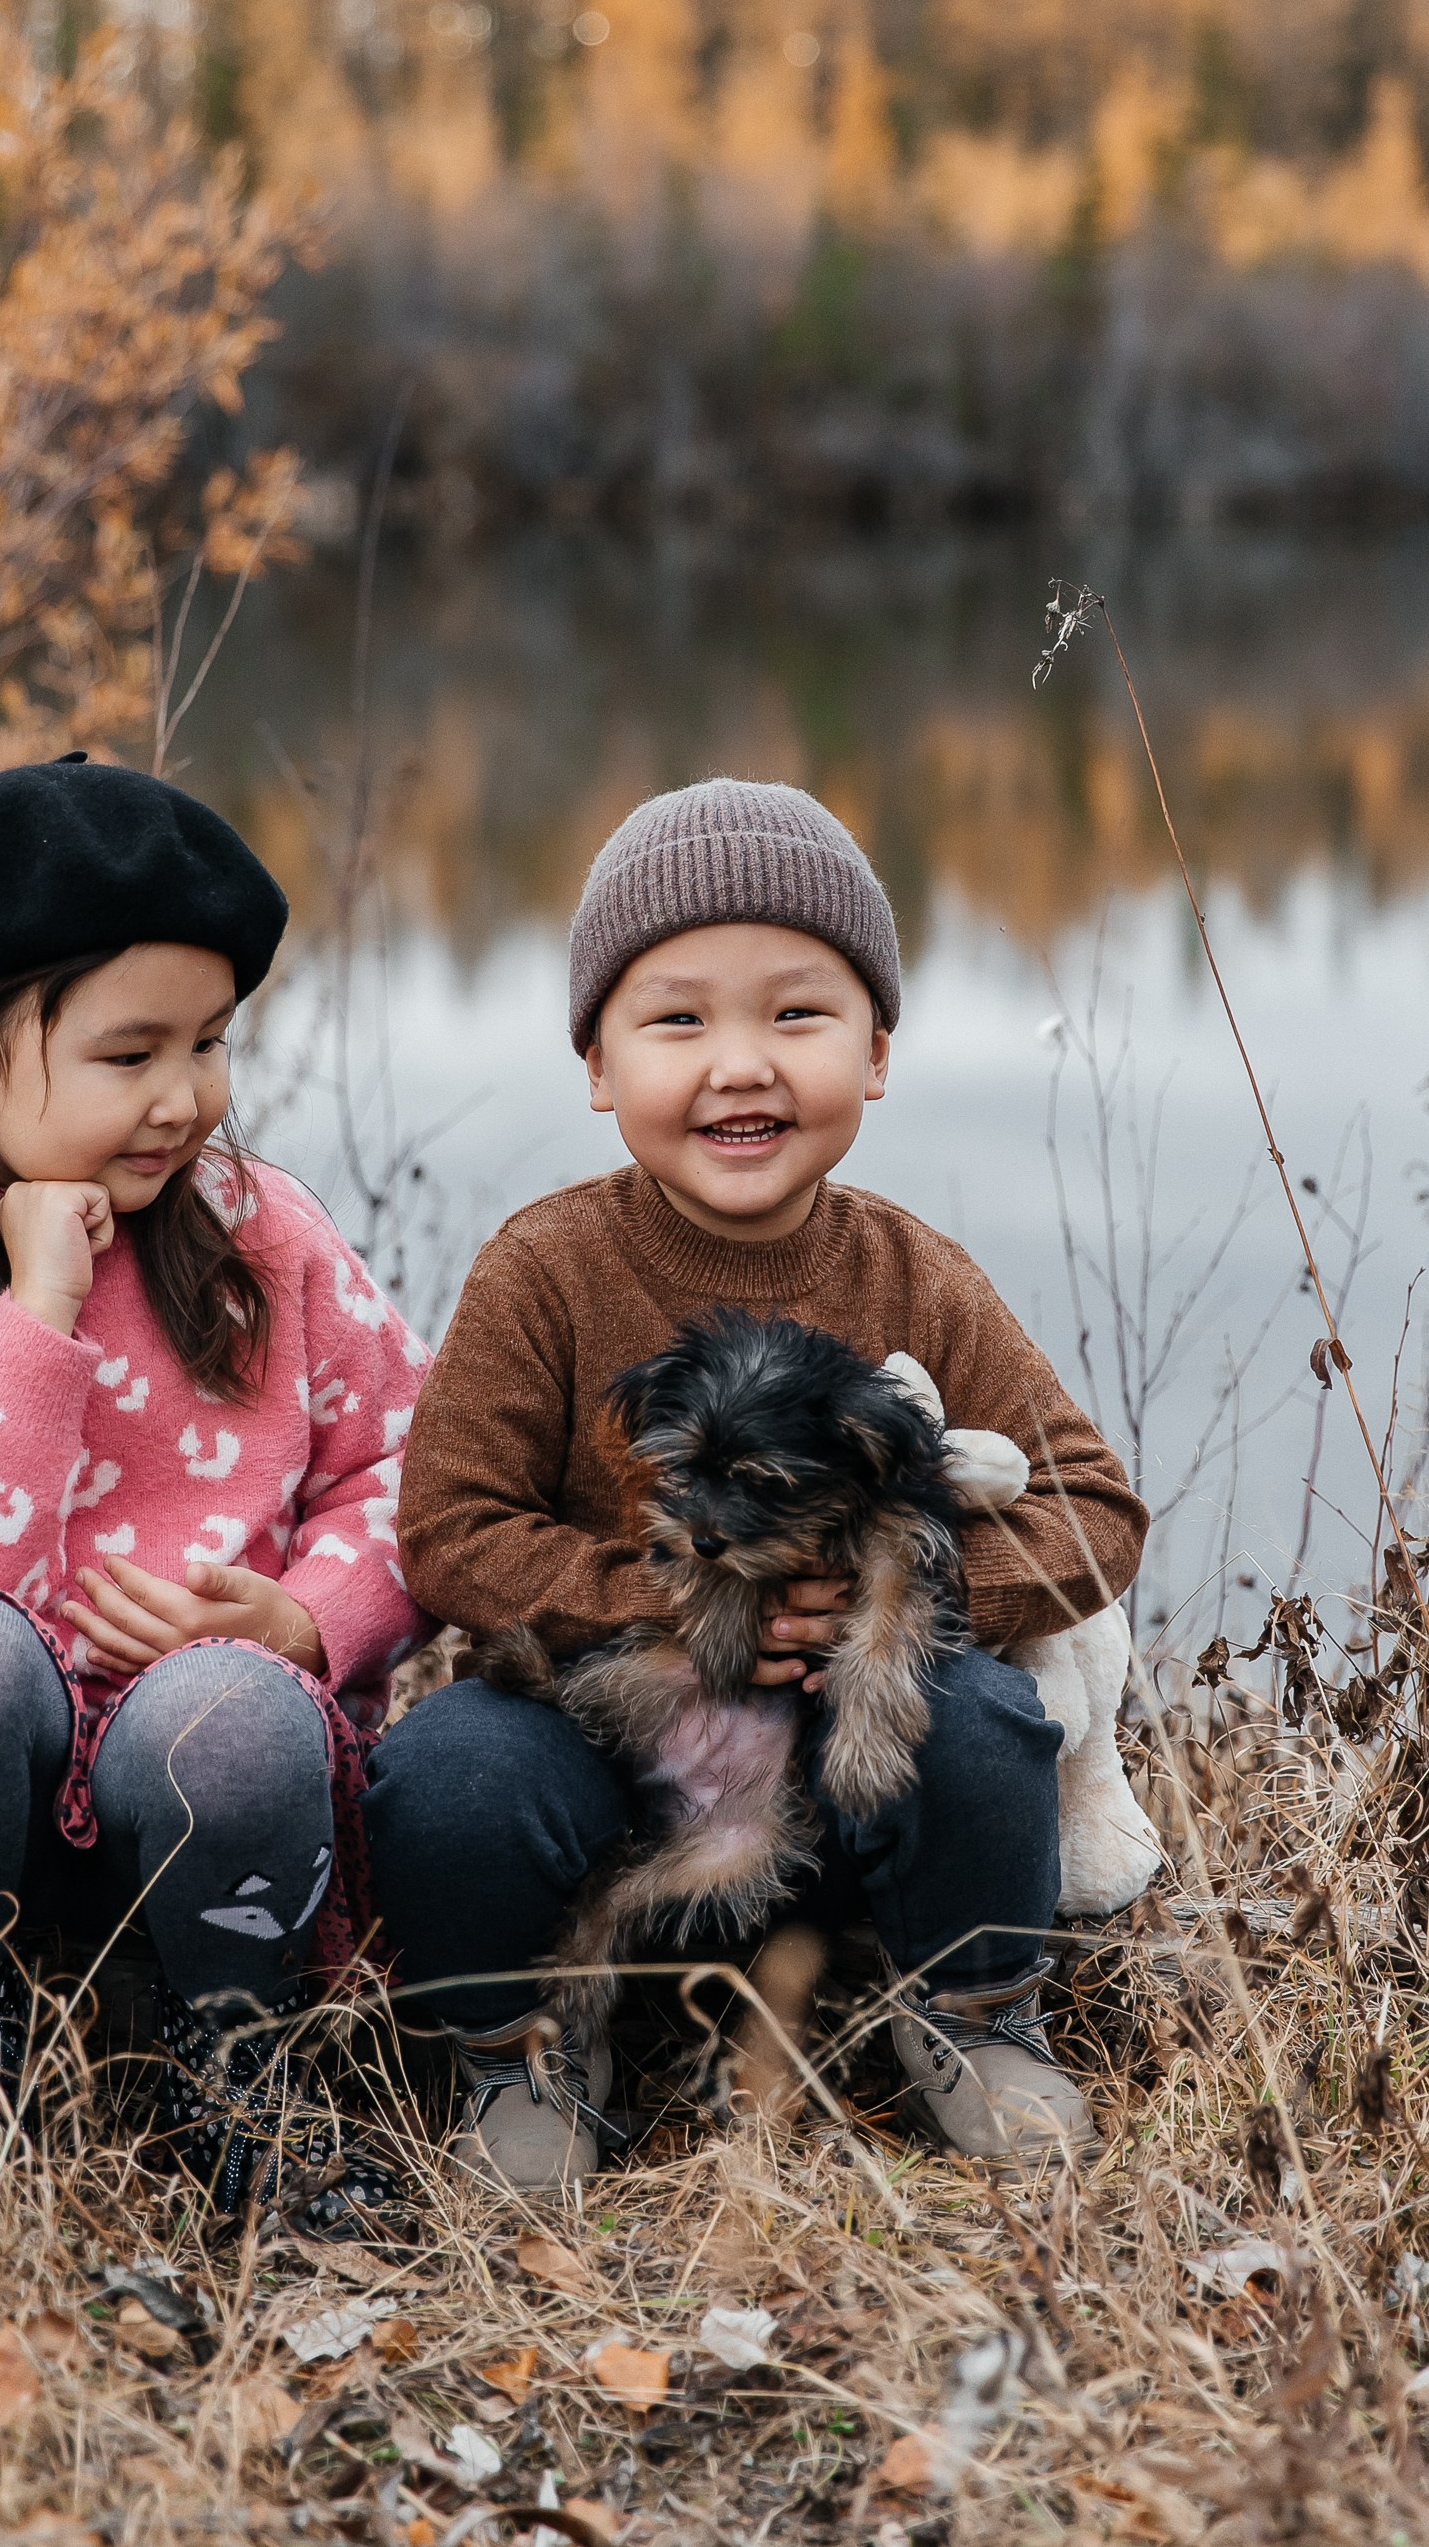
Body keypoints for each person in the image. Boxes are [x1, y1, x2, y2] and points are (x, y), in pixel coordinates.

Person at [368, 776, 1148, 2192]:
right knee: (447, 1766)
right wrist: (662, 1607)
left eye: (796, 1015)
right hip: (603, 1757)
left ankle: (971, 2013)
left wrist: (875, 1601)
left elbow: (1096, 1511)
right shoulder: (541, 1268)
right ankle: (520, 2047)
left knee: (979, 1717)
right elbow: (447, 1533)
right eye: (677, 1019)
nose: (740, 1066)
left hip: (843, 1784)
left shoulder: (915, 1273)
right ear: (598, 1065)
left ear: (876, 1053)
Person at [0, 752, 427, 2227]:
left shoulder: (266, 1240)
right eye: (132, 1055)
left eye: (210, 1044)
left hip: (208, 1800)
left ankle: (240, 2071)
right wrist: (38, 1316)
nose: (187, 1097)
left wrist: (310, 1621)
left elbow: (400, 1463)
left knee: (236, 1706)